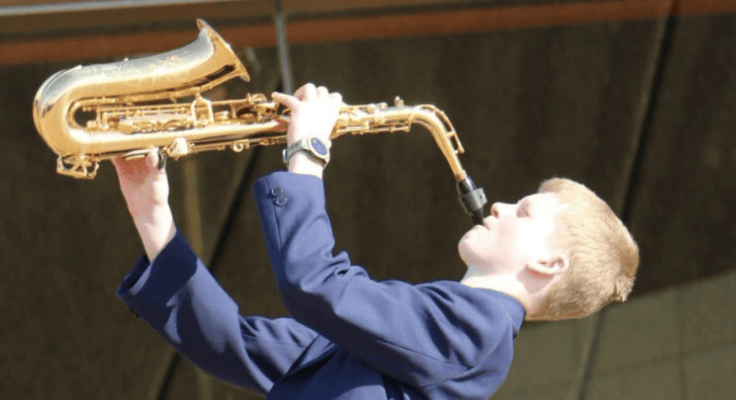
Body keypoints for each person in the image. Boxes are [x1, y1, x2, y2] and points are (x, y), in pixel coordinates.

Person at [114, 83, 639, 399]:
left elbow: (315, 284)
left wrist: (309, 152)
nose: (500, 205)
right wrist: (151, 212)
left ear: (549, 262)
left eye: (525, 212)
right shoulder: (435, 330)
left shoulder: (478, 332)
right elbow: (236, 346)